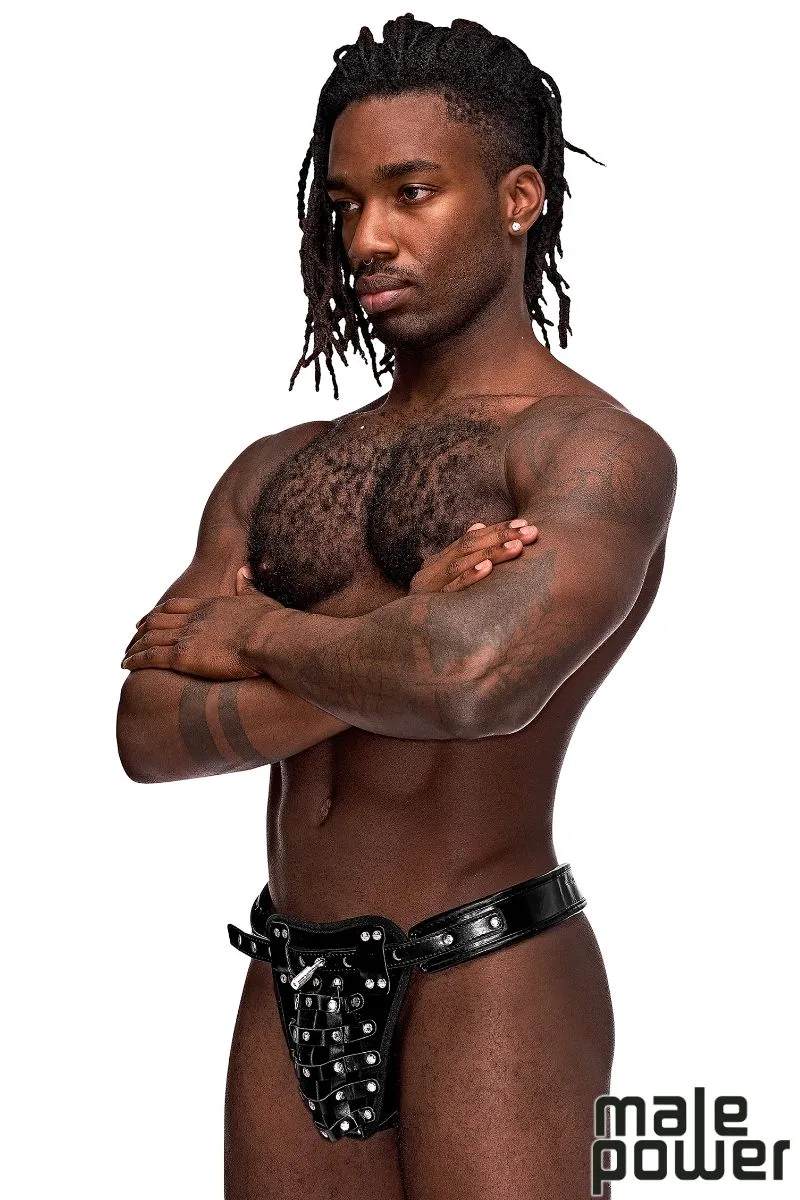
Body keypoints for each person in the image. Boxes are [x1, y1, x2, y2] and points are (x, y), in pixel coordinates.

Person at [117, 15, 677, 1199]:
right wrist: (400, 637)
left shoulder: (588, 453)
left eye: (410, 192)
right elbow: (147, 734)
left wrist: (254, 635)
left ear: (518, 198)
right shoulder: (275, 467)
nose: (366, 237)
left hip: (483, 971)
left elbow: (474, 683)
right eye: (344, 204)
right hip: (283, 977)